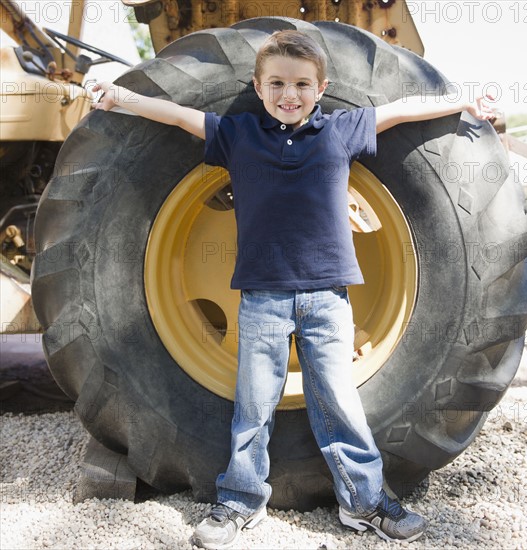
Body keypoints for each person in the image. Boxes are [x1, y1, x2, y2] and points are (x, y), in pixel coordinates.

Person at [93, 30, 496, 550]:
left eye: (302, 84)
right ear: (258, 88)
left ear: (322, 87)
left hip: (329, 299)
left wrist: (460, 100)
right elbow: (175, 116)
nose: (290, 94)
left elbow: (399, 110)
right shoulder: (237, 135)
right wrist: (119, 96)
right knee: (254, 406)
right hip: (262, 299)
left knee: (339, 403)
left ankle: (364, 501)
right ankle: (239, 501)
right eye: (278, 83)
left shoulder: (341, 131)